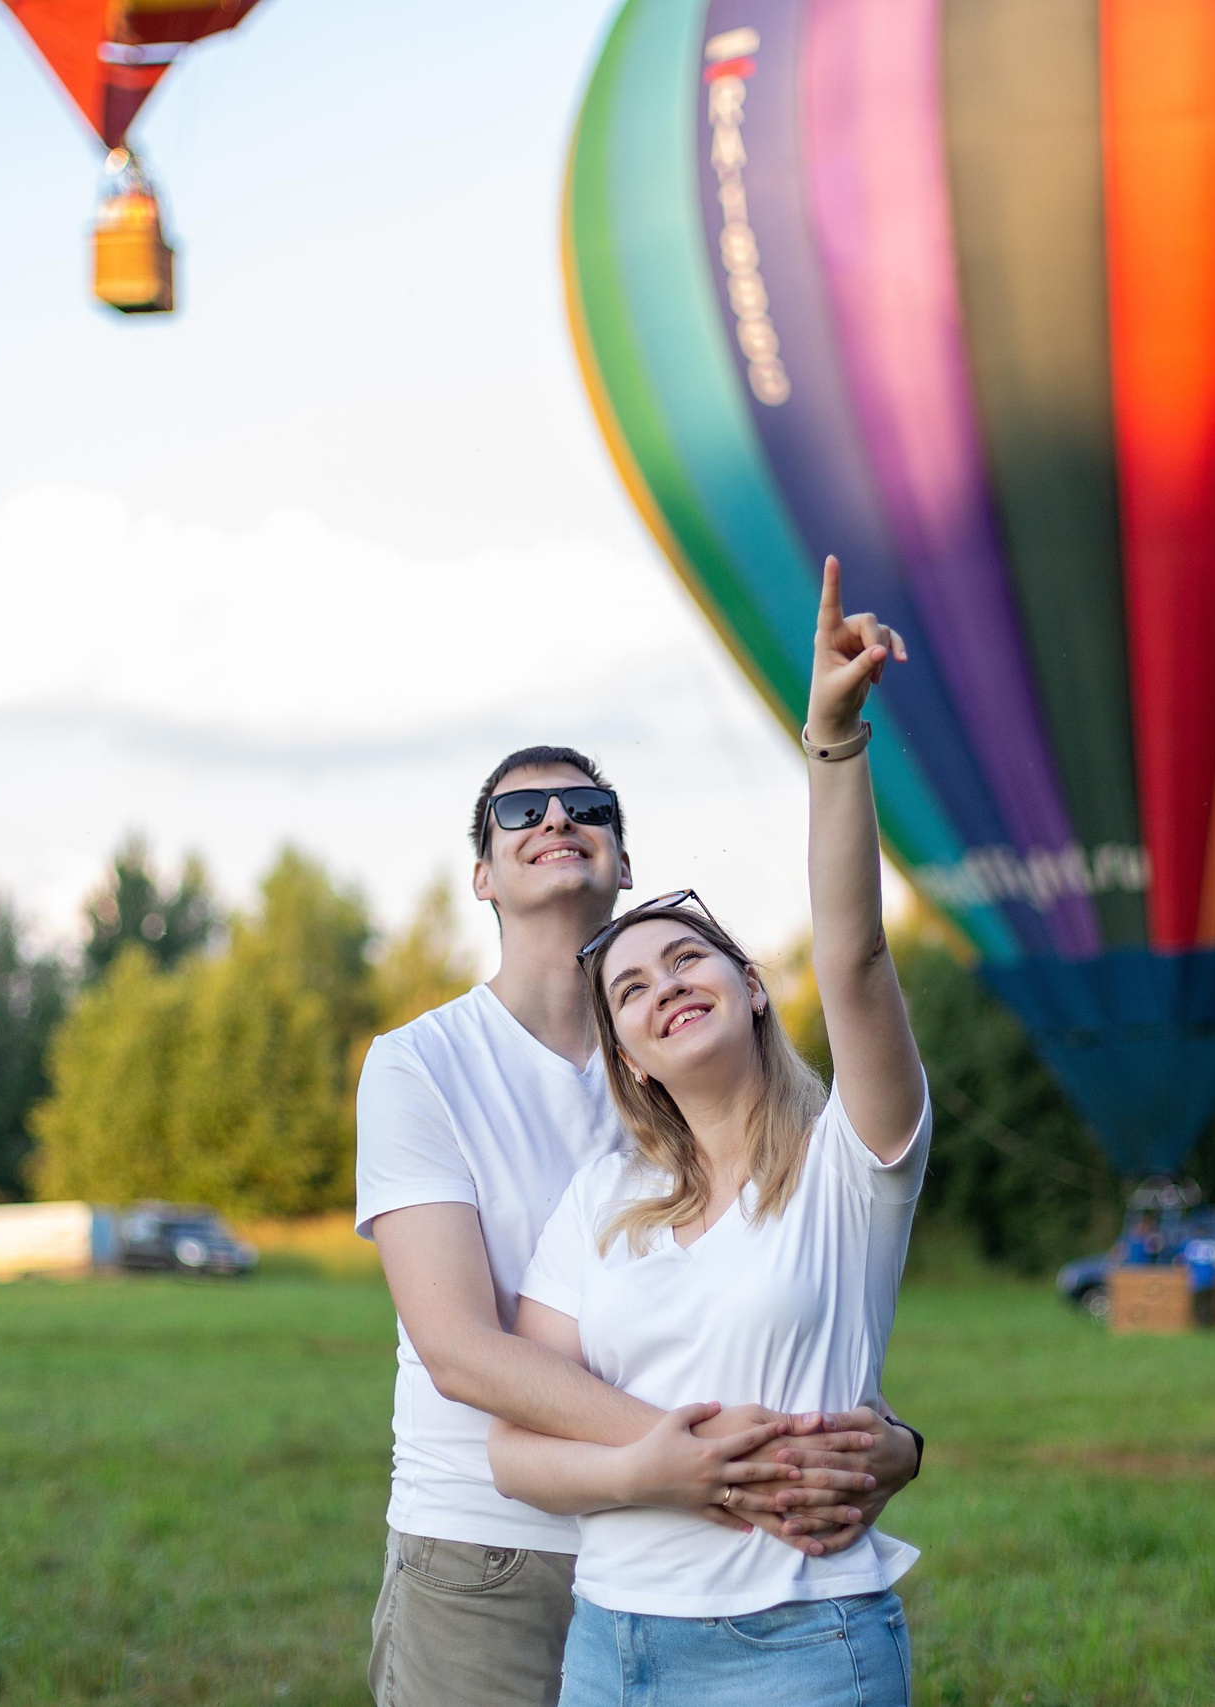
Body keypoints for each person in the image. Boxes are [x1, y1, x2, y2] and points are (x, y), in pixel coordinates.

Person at [355, 712, 924, 1697]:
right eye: (518, 810)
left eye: (587, 806)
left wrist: (887, 1441)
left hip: (736, 1577)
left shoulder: (755, 1125)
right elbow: (458, 1350)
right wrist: (700, 1460)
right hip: (493, 1551)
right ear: (481, 873)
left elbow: (855, 962)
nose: (556, 819)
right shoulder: (427, 1069)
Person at [487, 559, 928, 1705]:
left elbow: (856, 954)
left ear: (752, 987)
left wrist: (832, 744)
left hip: (799, 1648)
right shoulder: (600, 1201)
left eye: (689, 958)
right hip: (611, 1649)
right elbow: (513, 1451)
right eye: (628, 990)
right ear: (625, 1052)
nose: (662, 986)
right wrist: (652, 1468)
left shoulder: (851, 1164)